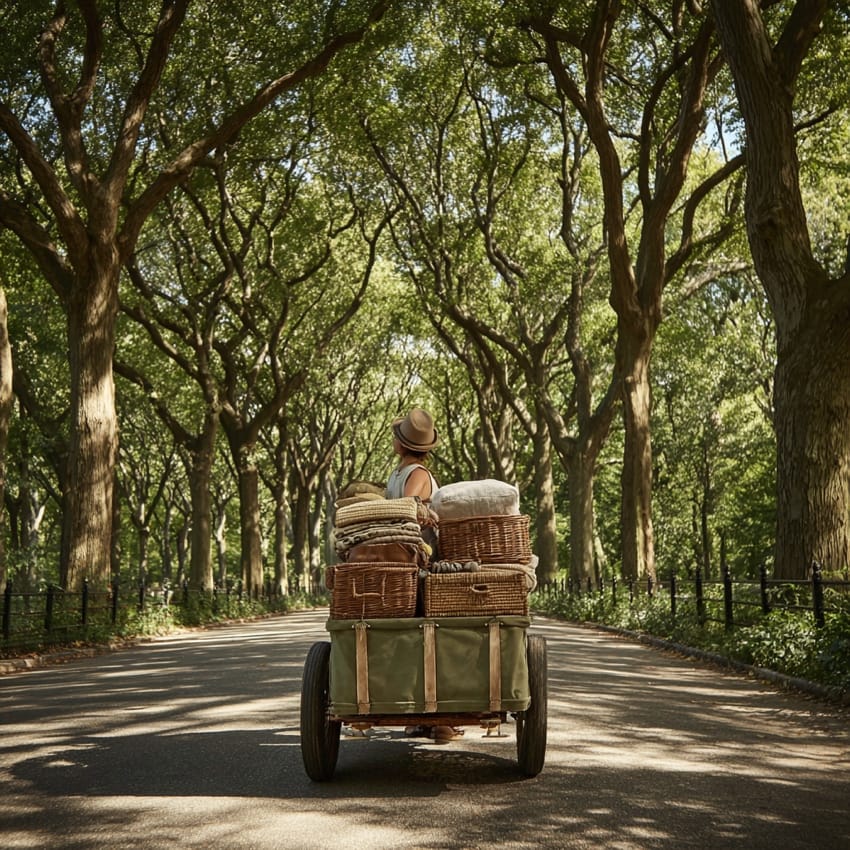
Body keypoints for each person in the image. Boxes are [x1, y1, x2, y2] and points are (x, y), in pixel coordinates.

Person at [387, 407, 463, 744]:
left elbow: (407, 514)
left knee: (428, 633)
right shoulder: (404, 473)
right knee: (431, 634)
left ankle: (438, 719)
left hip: (416, 561)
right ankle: (430, 716)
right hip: (409, 560)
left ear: (402, 444)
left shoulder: (412, 474)